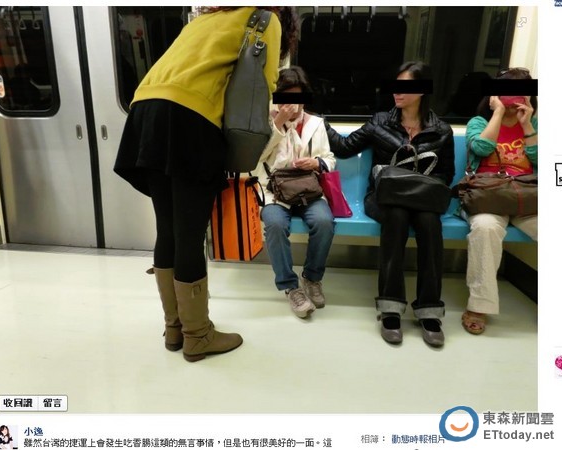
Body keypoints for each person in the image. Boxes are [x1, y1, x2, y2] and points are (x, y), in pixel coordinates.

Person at [114, 7, 299, 362]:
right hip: (189, 119)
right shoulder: (265, 18)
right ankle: (197, 336)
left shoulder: (204, 19)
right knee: (189, 234)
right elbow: (262, 85)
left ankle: (175, 328)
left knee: (167, 229)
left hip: (145, 110)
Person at [325, 61, 454, 346]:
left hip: (421, 199)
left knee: (429, 222)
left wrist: (420, 185)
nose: (397, 92)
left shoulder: (441, 130)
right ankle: (391, 308)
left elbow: (446, 173)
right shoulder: (380, 121)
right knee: (396, 215)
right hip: (383, 197)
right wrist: (316, 120)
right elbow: (344, 148)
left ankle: (430, 311)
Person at [254, 66, 336, 319]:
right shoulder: (264, 122)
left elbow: (329, 158)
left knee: (324, 222)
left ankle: (311, 278)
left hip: (307, 188)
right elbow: (256, 158)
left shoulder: (315, 124)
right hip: (274, 191)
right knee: (275, 225)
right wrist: (278, 124)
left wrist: (316, 163)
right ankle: (290, 287)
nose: (290, 103)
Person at [461, 67, 538, 335]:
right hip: (489, 196)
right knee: (485, 228)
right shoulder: (478, 122)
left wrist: (527, 125)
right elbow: (481, 148)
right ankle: (479, 306)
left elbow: (542, 160)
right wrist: (497, 114)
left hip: (528, 198)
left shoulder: (537, 124)